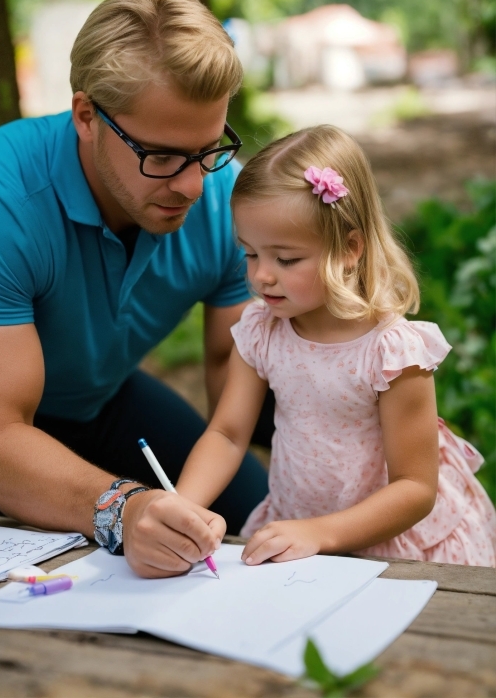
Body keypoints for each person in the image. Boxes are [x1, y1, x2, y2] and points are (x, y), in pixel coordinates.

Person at [0, 0, 272, 579]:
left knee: (261, 513)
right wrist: (123, 508)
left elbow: (238, 378)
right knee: (96, 550)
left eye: (209, 150)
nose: (192, 187)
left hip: (99, 395)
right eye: (163, 157)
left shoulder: (222, 198)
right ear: (85, 117)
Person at [177, 125, 496, 567]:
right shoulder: (262, 329)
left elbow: (415, 488)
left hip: (387, 541)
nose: (261, 275)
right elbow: (228, 434)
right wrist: (183, 506)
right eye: (250, 253)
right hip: (298, 530)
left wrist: (319, 533)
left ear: (349, 248)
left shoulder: (392, 352)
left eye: (286, 259)